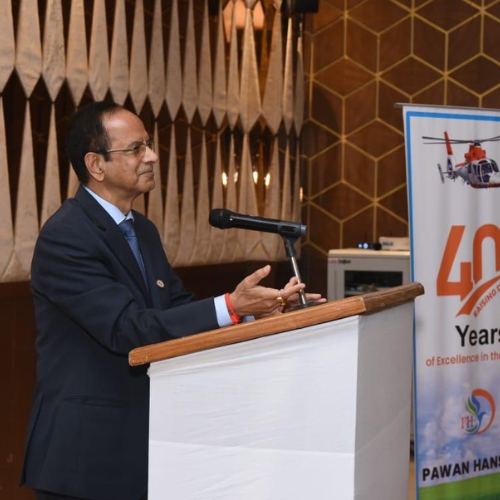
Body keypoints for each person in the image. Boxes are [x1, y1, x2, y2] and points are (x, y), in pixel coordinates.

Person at [21, 101, 323, 500]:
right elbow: (126, 328)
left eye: (148, 144)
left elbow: (176, 308)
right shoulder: (67, 235)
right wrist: (233, 306)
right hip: (86, 452)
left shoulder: (142, 230)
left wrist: (264, 310)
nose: (152, 156)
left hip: (143, 442)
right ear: (96, 165)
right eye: (136, 149)